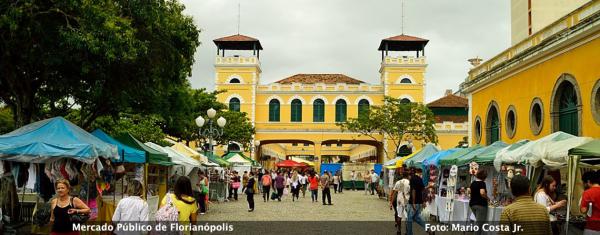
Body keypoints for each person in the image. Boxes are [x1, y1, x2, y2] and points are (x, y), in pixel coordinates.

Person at [469, 169, 489, 235]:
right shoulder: (482, 183)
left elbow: (469, 192)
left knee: (478, 222)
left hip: (472, 204)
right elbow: (482, 193)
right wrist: (487, 198)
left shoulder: (473, 183)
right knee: (479, 223)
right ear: (484, 177)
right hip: (480, 205)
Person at [406, 168, 425, 235]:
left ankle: (409, 233)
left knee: (409, 219)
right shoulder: (420, 179)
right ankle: (429, 229)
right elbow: (423, 191)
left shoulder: (413, 179)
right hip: (419, 202)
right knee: (416, 217)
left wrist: (413, 202)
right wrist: (423, 201)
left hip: (413, 202)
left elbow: (413, 190)